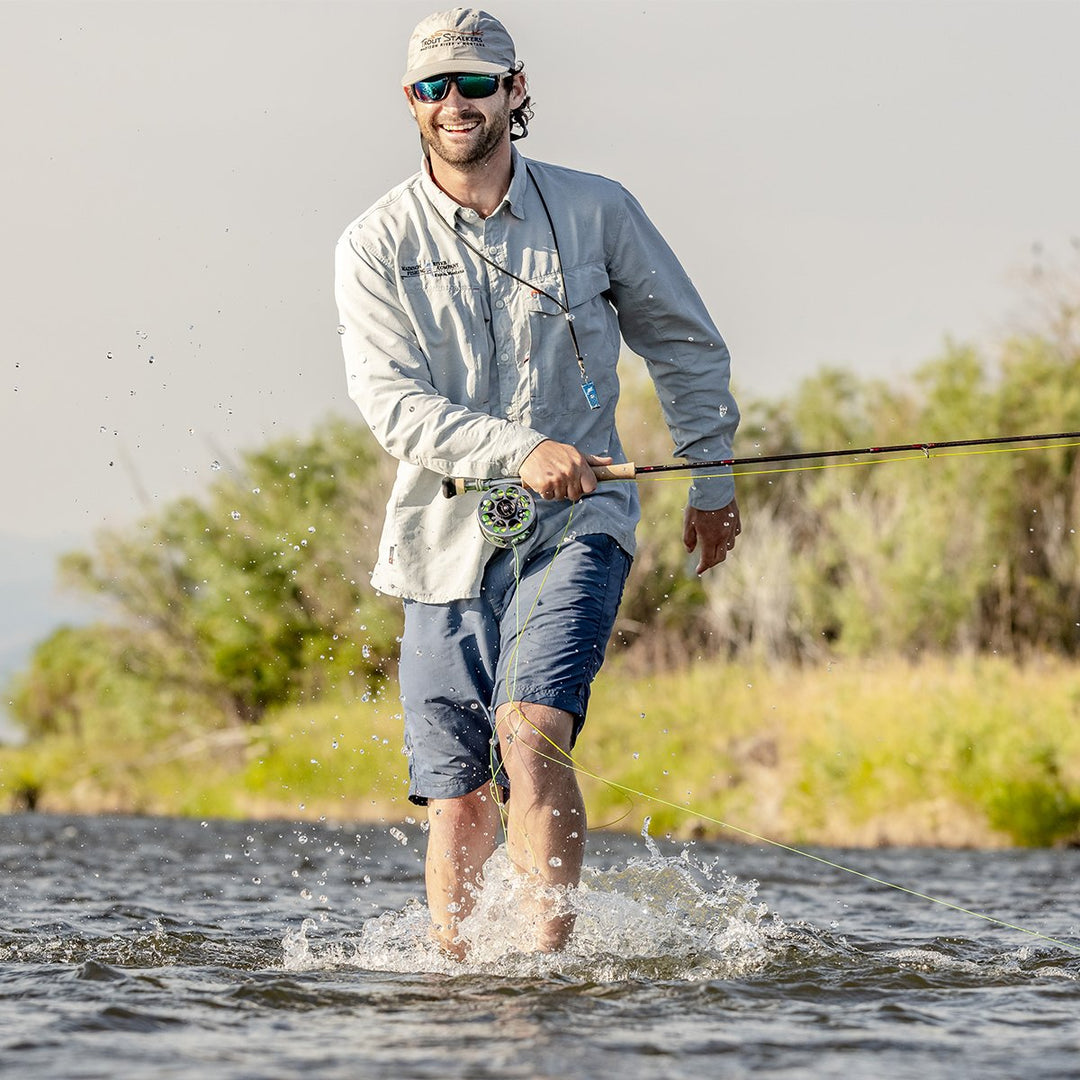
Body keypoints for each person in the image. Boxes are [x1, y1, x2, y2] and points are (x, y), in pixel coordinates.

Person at [334, 7, 740, 955]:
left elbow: (684, 344)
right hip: (438, 544)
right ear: (410, 101)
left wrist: (712, 479)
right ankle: (456, 976)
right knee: (456, 794)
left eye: (477, 82)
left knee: (529, 731)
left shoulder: (599, 209)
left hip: (578, 525)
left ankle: (543, 974)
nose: (456, 102)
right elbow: (391, 405)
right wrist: (519, 449)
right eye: (434, 86)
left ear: (515, 90)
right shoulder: (372, 243)